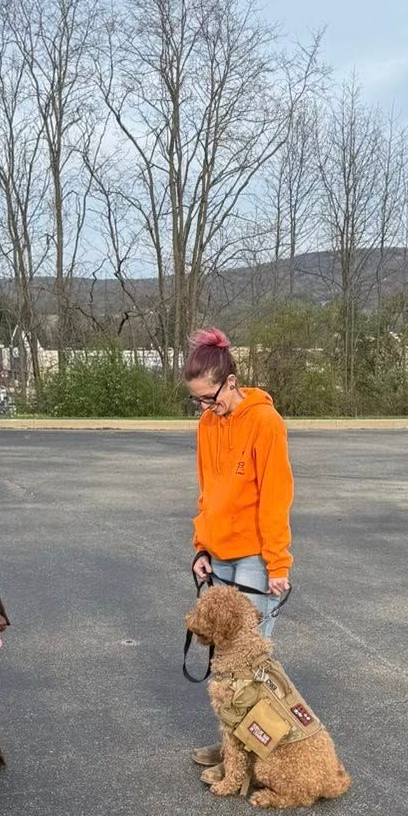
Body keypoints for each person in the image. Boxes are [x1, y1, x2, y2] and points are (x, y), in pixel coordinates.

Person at [183, 326, 294, 773]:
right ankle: (233, 747)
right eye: (198, 401)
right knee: (225, 664)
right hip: (220, 553)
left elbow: (276, 496)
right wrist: (201, 545)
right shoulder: (208, 424)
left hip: (255, 557)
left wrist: (277, 562)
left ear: (230, 382)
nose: (206, 407)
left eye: (210, 398)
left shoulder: (265, 422)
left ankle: (252, 758)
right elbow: (208, 490)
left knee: (251, 664)